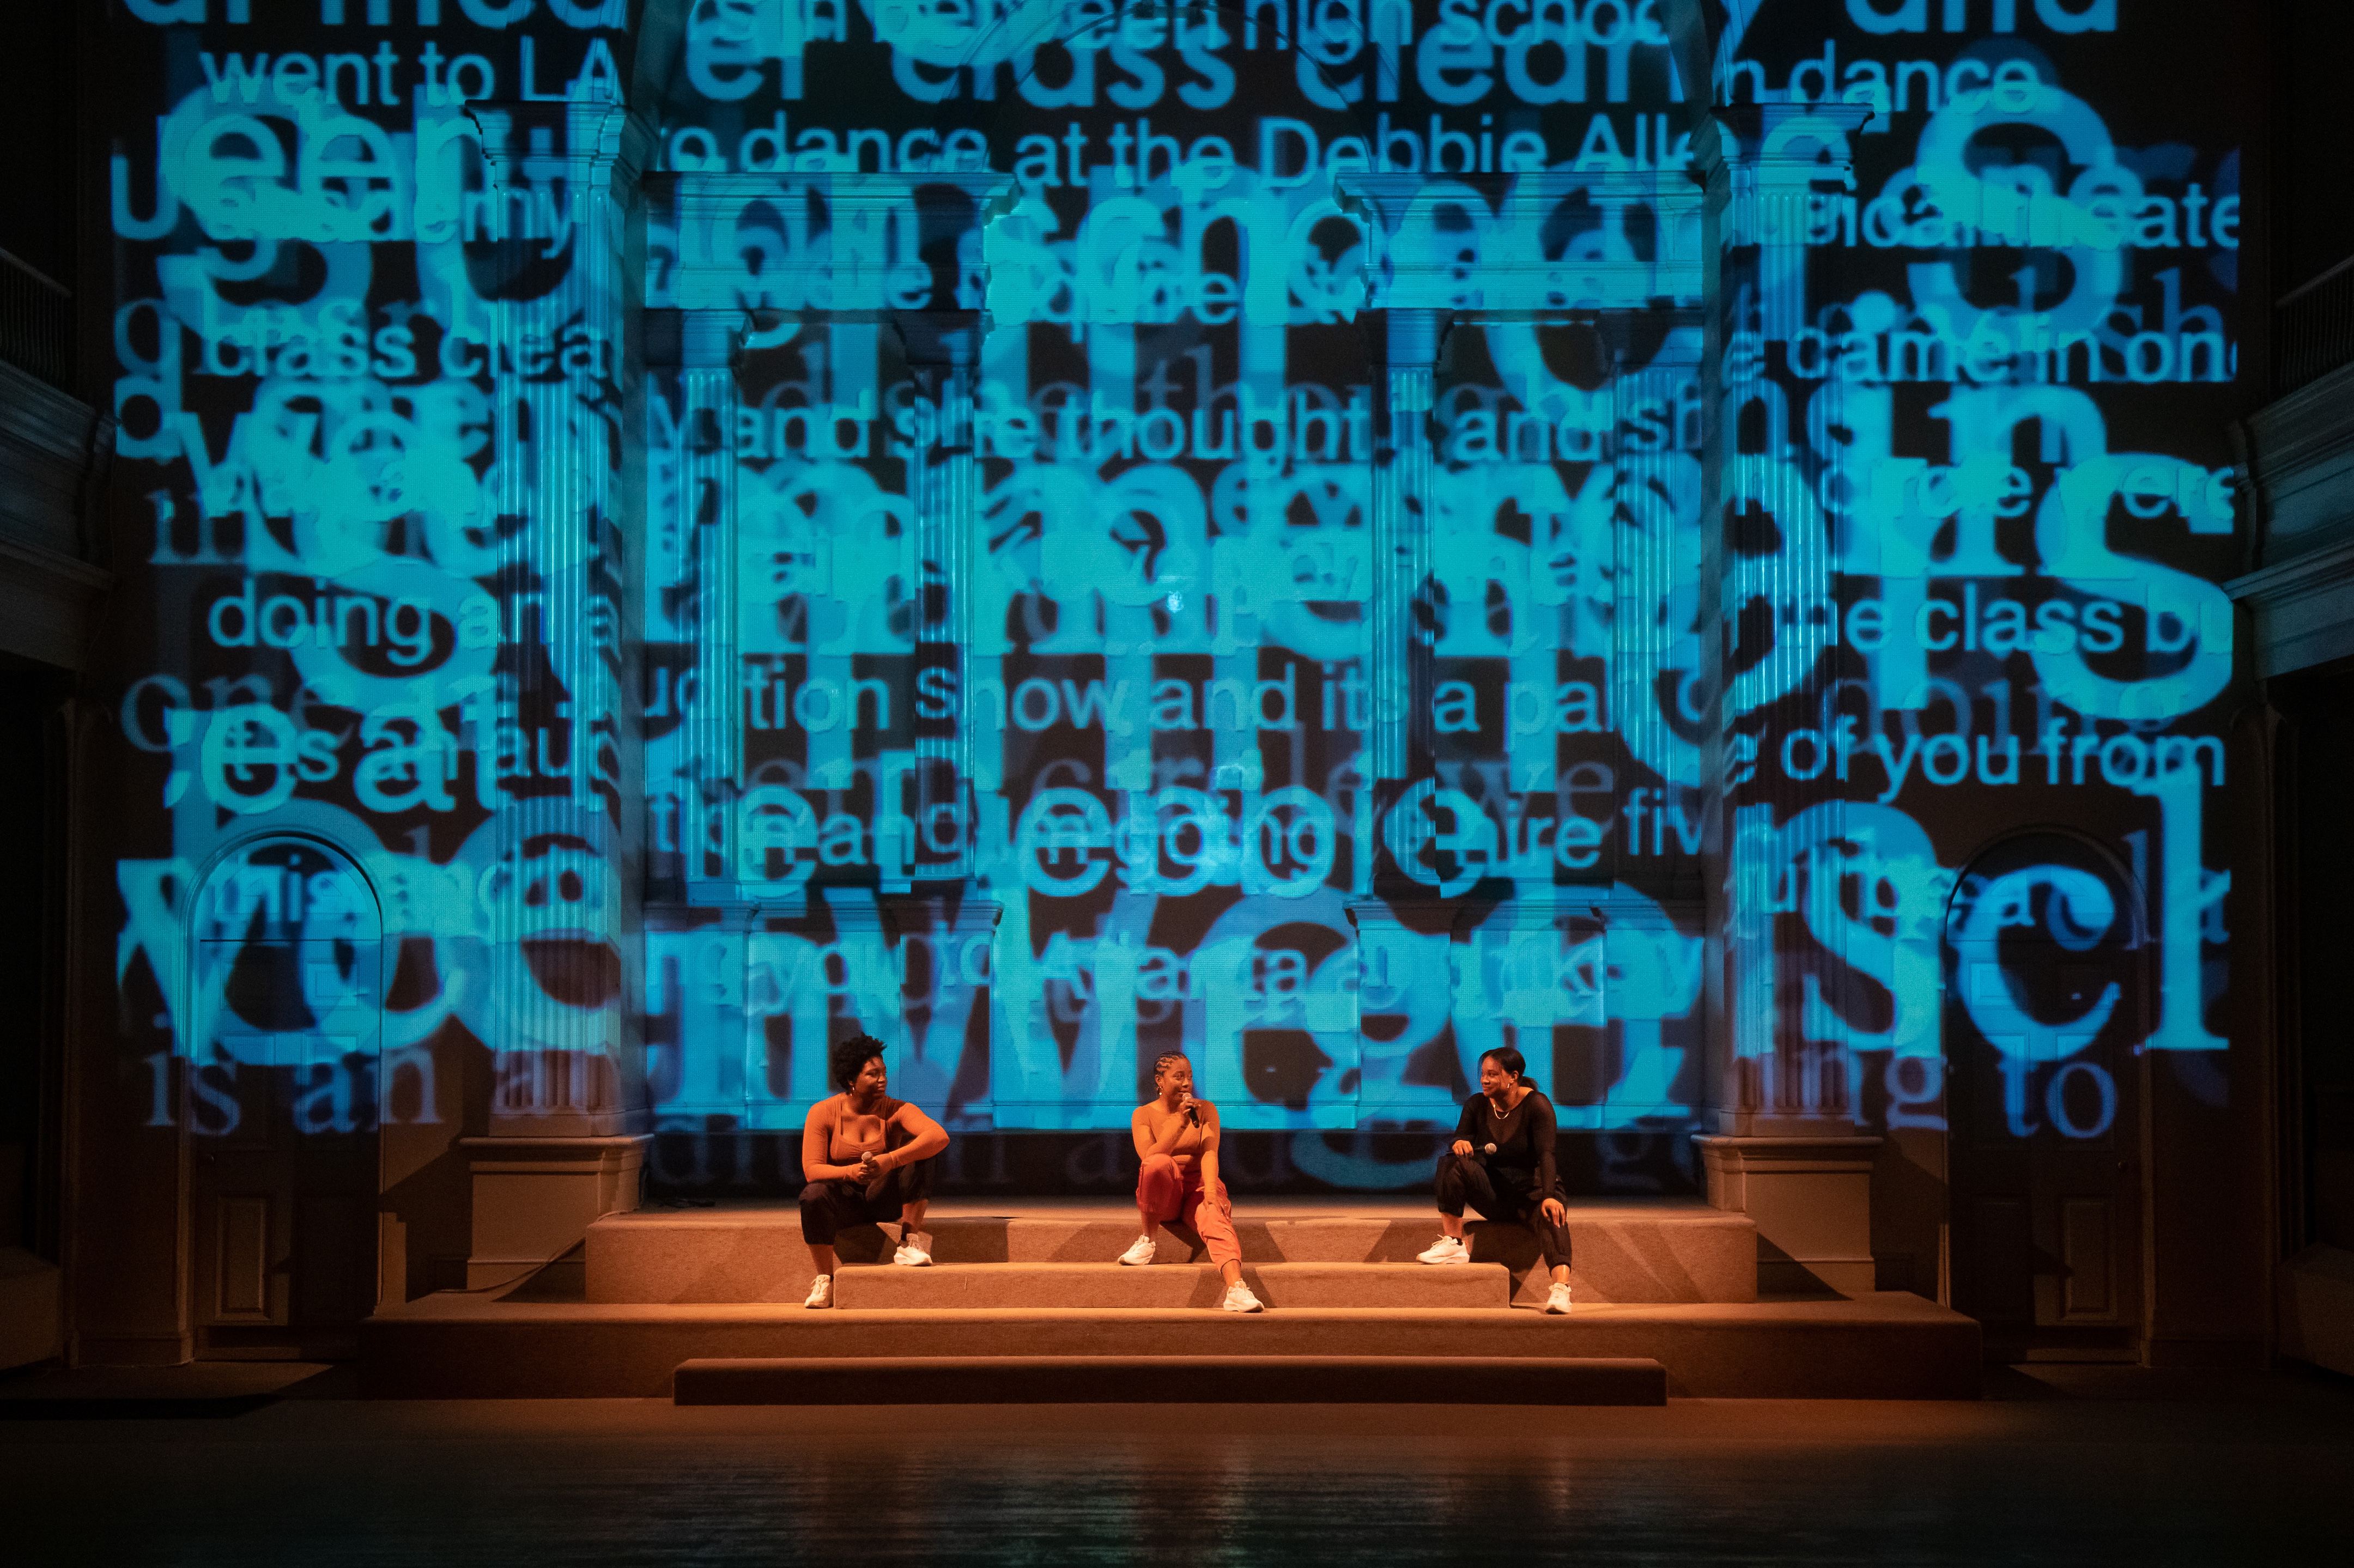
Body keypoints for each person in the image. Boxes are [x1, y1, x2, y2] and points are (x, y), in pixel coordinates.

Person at [1416, 1046, 1574, 1314]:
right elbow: (1460, 1135)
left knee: (1553, 1216)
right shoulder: (1477, 1104)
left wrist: (1550, 1194)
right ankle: (1454, 1244)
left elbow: (1547, 1153)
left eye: (1492, 1074)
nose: (1484, 1080)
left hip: (1533, 1194)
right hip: (1495, 1193)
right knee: (1451, 1162)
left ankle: (1561, 1291)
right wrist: (1461, 1142)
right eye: (1482, 1074)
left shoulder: (1537, 1105)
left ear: (1513, 1077)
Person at [797, 1034, 951, 1309]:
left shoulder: (895, 1109)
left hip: (883, 1198)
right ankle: (825, 1279)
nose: (883, 1079)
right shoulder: (823, 1112)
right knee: (813, 1194)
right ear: (851, 1081)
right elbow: (812, 1169)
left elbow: (938, 1136)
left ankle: (908, 1243)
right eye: (873, 1074)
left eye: (884, 1073)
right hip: (846, 1204)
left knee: (921, 1152)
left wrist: (889, 1161)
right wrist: (851, 1173)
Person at [1120, 1052, 1264, 1313]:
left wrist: (1210, 1190)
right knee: (1158, 1163)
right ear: (1160, 1081)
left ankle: (1237, 1289)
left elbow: (1210, 1152)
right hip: (1167, 1191)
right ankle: (1147, 1240)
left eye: (1190, 1077)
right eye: (1179, 1077)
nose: (1187, 1084)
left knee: (1214, 1216)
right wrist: (1179, 1122)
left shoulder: (1206, 1109)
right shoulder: (1142, 1115)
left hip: (1197, 1187)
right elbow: (1149, 1159)